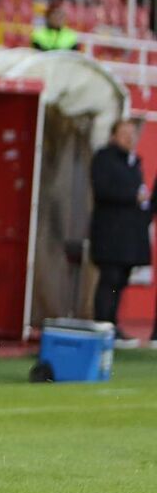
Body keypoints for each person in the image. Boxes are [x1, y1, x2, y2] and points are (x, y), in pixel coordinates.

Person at [90, 119, 149, 344]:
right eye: (124, 133)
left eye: (132, 134)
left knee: (120, 281)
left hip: (128, 238)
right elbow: (102, 190)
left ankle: (112, 325)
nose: (129, 138)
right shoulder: (104, 158)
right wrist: (132, 196)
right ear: (113, 135)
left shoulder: (133, 162)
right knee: (110, 279)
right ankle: (102, 326)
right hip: (109, 235)